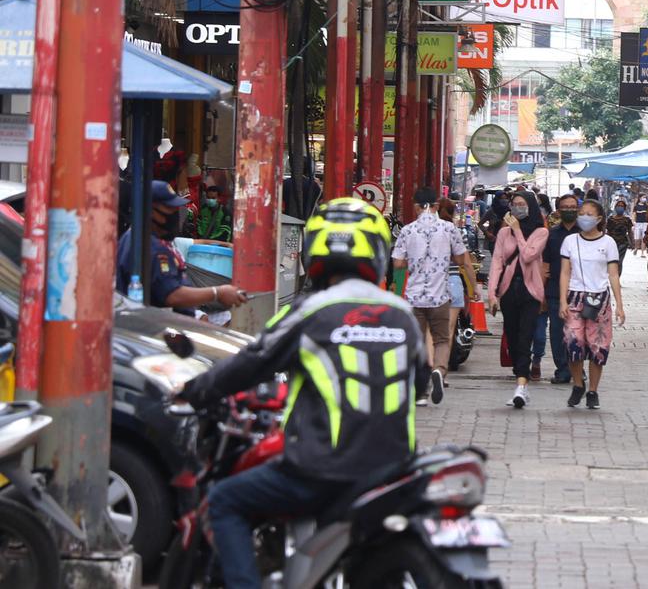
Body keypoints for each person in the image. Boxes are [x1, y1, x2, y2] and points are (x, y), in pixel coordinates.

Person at [177, 197, 425, 589]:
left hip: (320, 469)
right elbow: (421, 382)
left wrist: (192, 390)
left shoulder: (308, 311)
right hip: (394, 470)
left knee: (225, 501)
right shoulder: (403, 314)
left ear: (314, 253)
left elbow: (249, 363)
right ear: (378, 250)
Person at [116, 180, 247, 317]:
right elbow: (171, 295)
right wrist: (217, 293)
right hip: (154, 325)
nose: (176, 213)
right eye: (170, 208)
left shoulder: (150, 239)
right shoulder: (148, 244)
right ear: (152, 211)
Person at [392, 187, 471, 406]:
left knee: (417, 342)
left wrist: (415, 262)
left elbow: (398, 263)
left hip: (415, 296)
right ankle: (439, 370)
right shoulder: (448, 229)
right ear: (435, 206)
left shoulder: (408, 230)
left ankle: (421, 391)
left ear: (416, 206)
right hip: (440, 296)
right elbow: (461, 259)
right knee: (442, 339)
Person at [558, 199, 626, 410]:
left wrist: (619, 305)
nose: (584, 217)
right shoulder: (570, 241)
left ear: (598, 219)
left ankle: (593, 390)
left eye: (589, 214)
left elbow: (613, 274)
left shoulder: (608, 243)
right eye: (582, 213)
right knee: (573, 342)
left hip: (600, 299)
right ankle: (578, 384)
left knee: (598, 347)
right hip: (575, 298)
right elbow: (565, 272)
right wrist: (562, 300)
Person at [487, 192, 549, 408]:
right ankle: (519, 375)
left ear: (531, 207)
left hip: (531, 292)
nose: (517, 208)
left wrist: (517, 231)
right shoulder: (504, 233)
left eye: (522, 205)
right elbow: (497, 262)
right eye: (515, 205)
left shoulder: (541, 232)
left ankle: (521, 386)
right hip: (509, 292)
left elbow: (529, 255)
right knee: (512, 338)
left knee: (525, 338)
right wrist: (492, 294)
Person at [436, 197, 480, 379]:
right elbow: (467, 263)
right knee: (448, 329)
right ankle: (441, 370)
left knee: (429, 330)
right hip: (452, 281)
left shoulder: (418, 230)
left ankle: (429, 365)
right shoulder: (455, 232)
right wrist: (475, 287)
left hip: (429, 283)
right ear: (452, 212)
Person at [541, 194, 580, 385]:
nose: (570, 210)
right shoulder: (552, 235)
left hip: (581, 291)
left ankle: (578, 368)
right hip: (556, 290)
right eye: (565, 207)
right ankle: (563, 369)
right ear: (558, 210)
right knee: (557, 332)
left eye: (573, 207)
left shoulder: (587, 233)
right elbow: (545, 266)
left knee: (579, 333)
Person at [606, 199, 634, 274]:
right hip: (612, 243)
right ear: (615, 207)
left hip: (623, 243)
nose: (620, 207)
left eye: (621, 206)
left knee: (619, 261)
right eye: (618, 206)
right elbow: (608, 232)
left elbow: (630, 232)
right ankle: (612, 277)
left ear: (624, 208)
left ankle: (617, 279)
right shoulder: (610, 219)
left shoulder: (627, 220)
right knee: (612, 261)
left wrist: (632, 243)